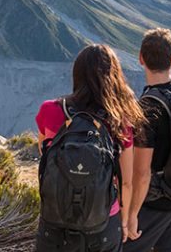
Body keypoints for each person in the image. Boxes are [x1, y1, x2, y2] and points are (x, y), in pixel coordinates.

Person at [35, 44, 146, 252]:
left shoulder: (50, 110)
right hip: (103, 220)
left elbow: (45, 153)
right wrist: (123, 221)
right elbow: (127, 182)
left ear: (77, 74)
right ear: (114, 78)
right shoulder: (120, 120)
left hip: (55, 216)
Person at [125, 28, 171, 252]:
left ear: (141, 59)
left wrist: (132, 215)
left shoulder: (147, 108)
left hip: (154, 202)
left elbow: (142, 173)